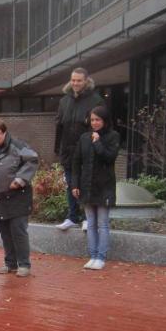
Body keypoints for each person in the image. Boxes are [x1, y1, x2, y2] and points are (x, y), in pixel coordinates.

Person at [0, 119, 39, 277]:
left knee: (18, 230)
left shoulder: (17, 146)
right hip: (0, 197)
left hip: (18, 196)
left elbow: (32, 159)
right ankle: (10, 264)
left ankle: (24, 265)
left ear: (4, 133)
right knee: (5, 231)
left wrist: (20, 179)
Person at [70, 106, 121, 270]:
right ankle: (92, 255)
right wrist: (75, 184)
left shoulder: (113, 136)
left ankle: (101, 257)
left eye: (98, 119)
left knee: (103, 223)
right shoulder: (84, 137)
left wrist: (98, 142)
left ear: (105, 120)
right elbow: (76, 162)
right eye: (92, 120)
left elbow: (109, 157)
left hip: (104, 186)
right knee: (90, 223)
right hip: (86, 186)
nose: (95, 123)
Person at [54, 67, 104, 231]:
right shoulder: (64, 101)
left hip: (86, 151)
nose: (75, 83)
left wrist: (96, 146)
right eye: (73, 80)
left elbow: (101, 126)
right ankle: (72, 217)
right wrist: (58, 150)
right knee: (71, 185)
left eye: (79, 80)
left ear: (86, 81)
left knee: (85, 184)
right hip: (68, 152)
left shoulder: (95, 100)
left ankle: (86, 218)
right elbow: (59, 127)